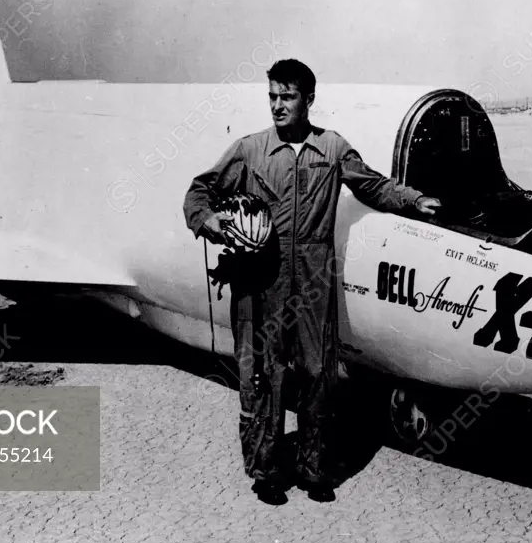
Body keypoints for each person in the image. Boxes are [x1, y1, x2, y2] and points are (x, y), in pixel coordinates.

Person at [183, 59, 440, 505]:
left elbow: (373, 186)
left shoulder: (333, 148)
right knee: (266, 373)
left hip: (315, 276)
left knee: (319, 373)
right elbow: (199, 191)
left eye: (287, 97)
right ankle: (265, 471)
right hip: (263, 276)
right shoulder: (250, 149)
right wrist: (211, 222)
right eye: (272, 97)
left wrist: (414, 200)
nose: (277, 106)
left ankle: (314, 470)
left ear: (309, 100)